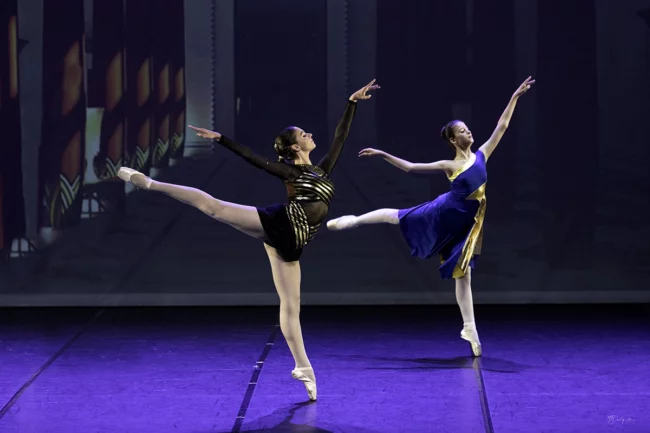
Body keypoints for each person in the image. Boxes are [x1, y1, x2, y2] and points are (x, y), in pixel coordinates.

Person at [117, 79, 380, 400]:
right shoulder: (291, 173)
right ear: (296, 147)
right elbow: (254, 158)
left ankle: (303, 368)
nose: (310, 135)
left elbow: (341, 136)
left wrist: (352, 102)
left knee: (291, 305)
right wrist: (222, 139)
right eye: (304, 135)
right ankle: (152, 184)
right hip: (282, 223)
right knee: (214, 207)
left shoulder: (323, 170)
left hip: (295, 242)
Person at [326, 77, 535, 357]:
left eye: (468, 128)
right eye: (462, 130)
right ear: (453, 139)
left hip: (466, 226)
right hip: (443, 213)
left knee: (464, 276)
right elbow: (412, 168)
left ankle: (469, 328)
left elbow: (502, 126)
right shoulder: (450, 165)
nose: (469, 131)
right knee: (399, 216)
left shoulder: (483, 155)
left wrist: (515, 96)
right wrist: (382, 153)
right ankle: (354, 220)